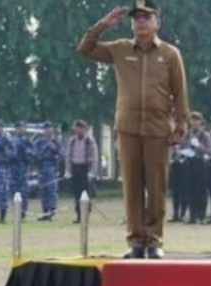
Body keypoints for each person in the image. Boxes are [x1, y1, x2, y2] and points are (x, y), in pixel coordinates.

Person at [77, 0, 190, 259]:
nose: (141, 22)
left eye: (146, 17)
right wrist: (103, 25)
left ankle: (154, 240)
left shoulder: (170, 54)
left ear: (157, 22)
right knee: (132, 188)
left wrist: (181, 124)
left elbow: (180, 92)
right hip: (128, 129)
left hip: (158, 129)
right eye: (136, 18)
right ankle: (136, 242)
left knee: (157, 187)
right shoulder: (120, 49)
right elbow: (85, 49)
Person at [65, 120, 98, 224]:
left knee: (86, 193)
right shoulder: (72, 141)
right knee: (76, 193)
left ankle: (85, 214)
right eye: (76, 129)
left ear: (84, 129)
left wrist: (92, 172)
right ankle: (79, 215)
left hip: (85, 168)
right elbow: (68, 156)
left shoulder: (89, 141)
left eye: (80, 128)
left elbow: (94, 157)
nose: (78, 131)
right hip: (75, 168)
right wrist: (68, 170)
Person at [35, 122, 64, 221]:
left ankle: (51, 212)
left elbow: (62, 155)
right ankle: (45, 212)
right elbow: (35, 155)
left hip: (52, 168)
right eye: (45, 129)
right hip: (42, 168)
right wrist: (43, 150)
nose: (47, 131)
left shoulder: (56, 142)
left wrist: (54, 148)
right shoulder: (39, 142)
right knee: (43, 191)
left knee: (52, 191)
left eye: (49, 128)